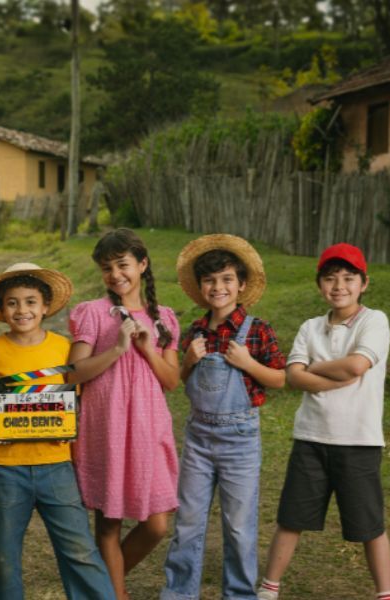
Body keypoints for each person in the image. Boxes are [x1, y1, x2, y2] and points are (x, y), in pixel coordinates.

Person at [0, 263, 116, 600]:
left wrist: (70, 422)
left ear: (46, 306)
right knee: (3, 557)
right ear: (2, 309)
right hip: (5, 469)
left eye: (31, 301)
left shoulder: (63, 349)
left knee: (80, 550)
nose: (22, 310)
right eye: (13, 303)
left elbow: (74, 400)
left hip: (56, 463)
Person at [257, 243, 390, 600]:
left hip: (359, 442)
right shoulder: (311, 327)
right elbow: (293, 377)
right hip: (311, 438)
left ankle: (385, 594)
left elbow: (356, 366)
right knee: (291, 518)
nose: (339, 286)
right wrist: (325, 373)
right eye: (330, 278)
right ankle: (269, 589)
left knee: (369, 526)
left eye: (349, 278)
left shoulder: (374, 320)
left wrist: (311, 368)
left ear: (364, 283)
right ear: (319, 284)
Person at [160, 235, 286, 600]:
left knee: (239, 527)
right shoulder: (196, 332)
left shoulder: (257, 330)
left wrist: (248, 363)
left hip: (240, 440)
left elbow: (279, 378)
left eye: (227, 279)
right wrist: (187, 362)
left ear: (242, 285)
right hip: (198, 437)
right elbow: (179, 382)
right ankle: (179, 594)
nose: (219, 287)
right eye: (211, 281)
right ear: (200, 287)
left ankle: (239, 595)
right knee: (187, 523)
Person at [66, 228, 181, 600]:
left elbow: (172, 380)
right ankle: (115, 594)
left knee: (156, 525)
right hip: (106, 426)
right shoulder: (93, 314)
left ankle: (102, 584)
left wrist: (147, 348)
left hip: (148, 428)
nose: (116, 274)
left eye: (123, 264)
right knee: (108, 524)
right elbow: (73, 373)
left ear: (142, 265)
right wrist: (117, 349)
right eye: (107, 267)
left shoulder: (163, 318)